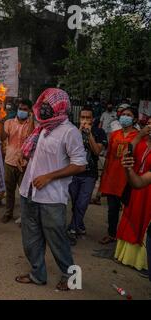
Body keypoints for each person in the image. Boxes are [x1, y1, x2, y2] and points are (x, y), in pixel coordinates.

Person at [15, 88, 87, 291]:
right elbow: (38, 155)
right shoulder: (42, 128)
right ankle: (37, 274)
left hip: (52, 197)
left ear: (60, 106)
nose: (44, 106)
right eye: (43, 101)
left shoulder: (69, 132)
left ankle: (72, 278)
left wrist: (49, 177)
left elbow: (80, 165)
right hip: (28, 192)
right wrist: (25, 158)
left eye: (49, 103)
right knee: (31, 238)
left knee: (58, 240)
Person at [114, 119, 151, 275]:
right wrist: (139, 136)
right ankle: (127, 257)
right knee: (131, 217)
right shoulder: (140, 140)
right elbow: (126, 153)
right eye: (148, 124)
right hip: (136, 184)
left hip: (148, 191)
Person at [67, 107, 107, 246]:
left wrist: (89, 135)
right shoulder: (72, 130)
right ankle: (80, 225)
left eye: (88, 118)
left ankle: (72, 230)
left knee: (82, 203)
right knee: (75, 202)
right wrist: (78, 132)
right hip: (74, 172)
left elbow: (96, 151)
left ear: (93, 119)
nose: (85, 120)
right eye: (82, 117)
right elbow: (70, 149)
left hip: (89, 174)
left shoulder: (99, 132)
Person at [98, 107, 139, 245]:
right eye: (123, 114)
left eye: (129, 115)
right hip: (113, 177)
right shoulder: (115, 134)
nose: (125, 117)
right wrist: (105, 174)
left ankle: (126, 237)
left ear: (135, 119)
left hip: (129, 178)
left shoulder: (139, 136)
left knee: (129, 209)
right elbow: (109, 156)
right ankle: (111, 234)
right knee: (112, 209)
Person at [0, 98, 35, 223]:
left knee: (24, 192)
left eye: (25, 109)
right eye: (20, 109)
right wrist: (0, 123)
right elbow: (3, 137)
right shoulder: (9, 122)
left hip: (24, 164)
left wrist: (31, 120)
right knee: (9, 191)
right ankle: (8, 213)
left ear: (30, 111)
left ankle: (24, 216)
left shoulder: (32, 125)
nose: (22, 111)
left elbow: (31, 137)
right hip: (9, 161)